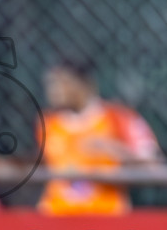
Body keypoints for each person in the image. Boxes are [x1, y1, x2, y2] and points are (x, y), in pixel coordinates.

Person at [37, 59, 160, 215]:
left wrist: (115, 151)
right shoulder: (47, 124)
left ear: (84, 84)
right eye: (51, 84)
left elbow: (154, 164)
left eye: (62, 83)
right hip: (56, 217)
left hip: (106, 216)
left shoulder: (118, 117)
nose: (54, 91)